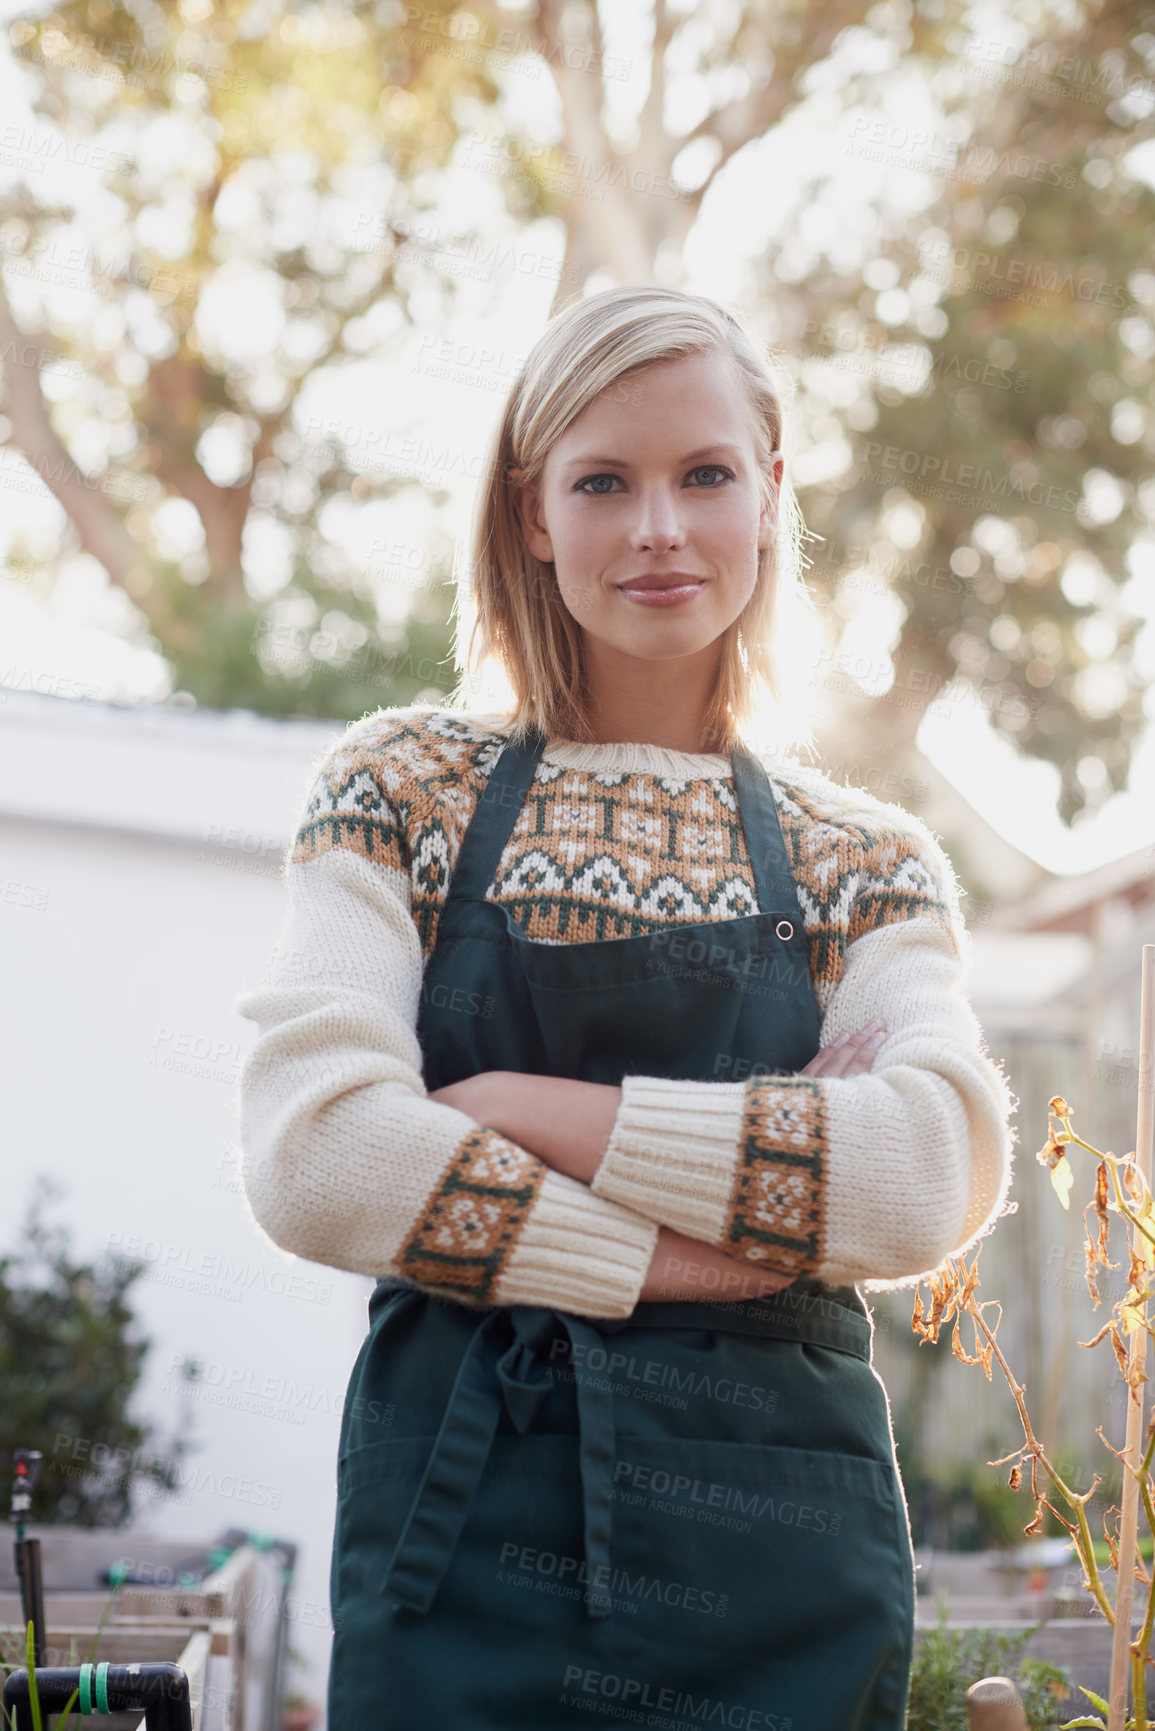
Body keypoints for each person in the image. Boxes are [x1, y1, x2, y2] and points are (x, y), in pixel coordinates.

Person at [233, 284, 1014, 1730]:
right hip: (458, 1535)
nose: (659, 527)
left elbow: (927, 1171)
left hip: (783, 1556)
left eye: (704, 474)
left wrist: (524, 1112)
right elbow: (317, 1153)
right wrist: (712, 1259)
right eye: (605, 482)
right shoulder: (402, 791)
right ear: (535, 514)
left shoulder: (866, 861)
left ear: (771, 494)